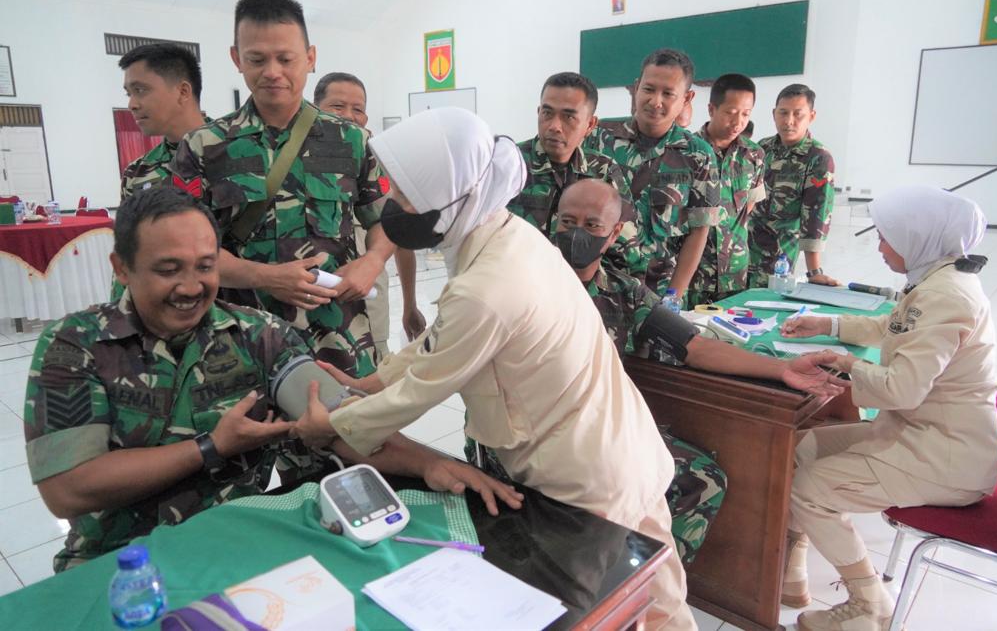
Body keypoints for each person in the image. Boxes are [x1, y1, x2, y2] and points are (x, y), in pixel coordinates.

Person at [293, 107, 697, 630]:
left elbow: (420, 392)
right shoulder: (508, 234)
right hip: (624, 447)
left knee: (619, 614)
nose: (396, 207)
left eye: (409, 196)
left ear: (451, 196)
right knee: (664, 601)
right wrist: (368, 382)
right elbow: (440, 340)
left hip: (587, 477)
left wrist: (330, 425)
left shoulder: (486, 287)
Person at [22, 188, 516, 572]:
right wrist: (211, 447)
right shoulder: (75, 346)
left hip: (244, 547)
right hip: (122, 564)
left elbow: (341, 422)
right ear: (122, 268)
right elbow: (69, 488)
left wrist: (431, 464)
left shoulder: (257, 334)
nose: (191, 287)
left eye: (206, 267)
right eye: (168, 270)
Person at [544, 179, 848, 563]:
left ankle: (639, 579)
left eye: (592, 225)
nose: (577, 234)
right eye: (568, 222)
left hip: (598, 430)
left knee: (702, 479)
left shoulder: (623, 292)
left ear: (615, 232)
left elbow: (695, 347)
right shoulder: (528, 283)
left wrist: (781, 368)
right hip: (538, 433)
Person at [779, 185, 997, 631]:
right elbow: (893, 325)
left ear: (917, 236)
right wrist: (827, 324)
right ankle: (792, 561)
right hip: (921, 431)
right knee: (799, 448)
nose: (879, 247)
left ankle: (869, 605)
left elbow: (902, 390)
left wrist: (845, 363)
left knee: (808, 487)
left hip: (944, 455)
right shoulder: (939, 279)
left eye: (886, 237)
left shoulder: (947, 295)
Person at [171, 0, 393, 379]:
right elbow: (183, 251)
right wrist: (264, 277)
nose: (272, 72)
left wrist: (372, 261)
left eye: (285, 59)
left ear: (310, 58)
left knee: (346, 417)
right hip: (241, 339)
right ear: (237, 59)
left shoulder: (351, 140)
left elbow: (385, 218)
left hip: (338, 336)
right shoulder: (203, 147)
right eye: (257, 59)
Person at [586, 48, 721, 308]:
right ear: (637, 87)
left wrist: (673, 296)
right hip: (597, 289)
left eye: (668, 93)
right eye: (648, 89)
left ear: (686, 98)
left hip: (658, 293)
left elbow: (699, 231)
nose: (655, 101)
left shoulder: (699, 155)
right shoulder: (597, 137)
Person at [313, 72, 426, 352]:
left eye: (358, 109)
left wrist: (409, 304)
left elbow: (398, 236)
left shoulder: (375, 163)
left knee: (376, 372)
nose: (349, 116)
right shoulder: (296, 163)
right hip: (307, 308)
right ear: (315, 108)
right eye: (337, 106)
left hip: (367, 306)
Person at [507, 71, 640, 274]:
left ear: (590, 124)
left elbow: (627, 253)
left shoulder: (603, 171)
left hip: (582, 287)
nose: (554, 126)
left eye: (568, 117)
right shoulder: (510, 165)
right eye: (547, 113)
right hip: (518, 283)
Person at [748, 84, 838, 287]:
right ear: (774, 114)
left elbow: (816, 216)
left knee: (763, 299)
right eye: (783, 113)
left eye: (798, 114)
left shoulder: (818, 158)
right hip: (744, 247)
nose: (789, 121)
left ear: (811, 116)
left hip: (780, 255)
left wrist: (814, 271)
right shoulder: (762, 148)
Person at [689, 74, 766, 306]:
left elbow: (747, 208)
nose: (738, 122)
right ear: (712, 109)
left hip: (735, 273)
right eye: (730, 112)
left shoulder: (754, 155)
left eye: (745, 114)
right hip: (693, 272)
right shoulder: (687, 151)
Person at [118, 43, 209, 200]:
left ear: (183, 92)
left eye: (140, 90)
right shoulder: (136, 175)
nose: (131, 105)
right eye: (129, 94)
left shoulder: (236, 150)